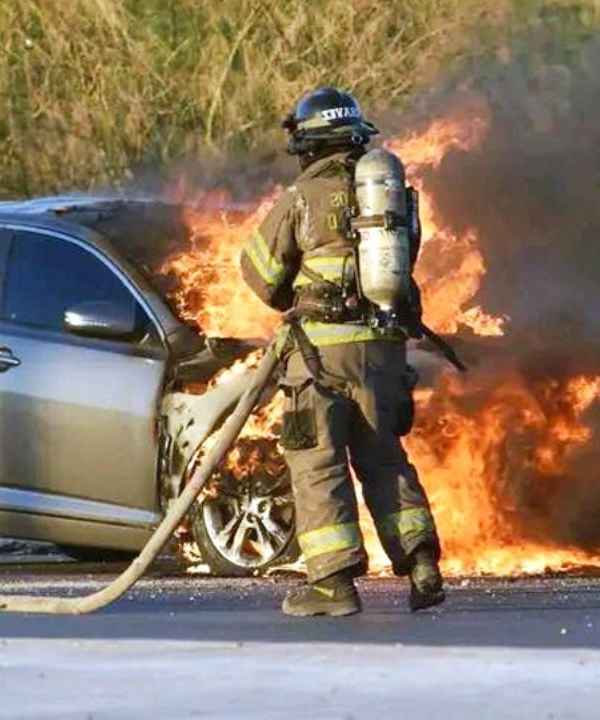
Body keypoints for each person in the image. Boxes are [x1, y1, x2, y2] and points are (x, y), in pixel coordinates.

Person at [240, 86, 445, 617]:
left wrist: (295, 295)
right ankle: (421, 560)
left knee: (318, 462)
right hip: (382, 350)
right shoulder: (395, 196)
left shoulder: (302, 199)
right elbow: (404, 265)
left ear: (308, 145)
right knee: (383, 457)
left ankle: (332, 584)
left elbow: (260, 276)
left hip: (320, 357)